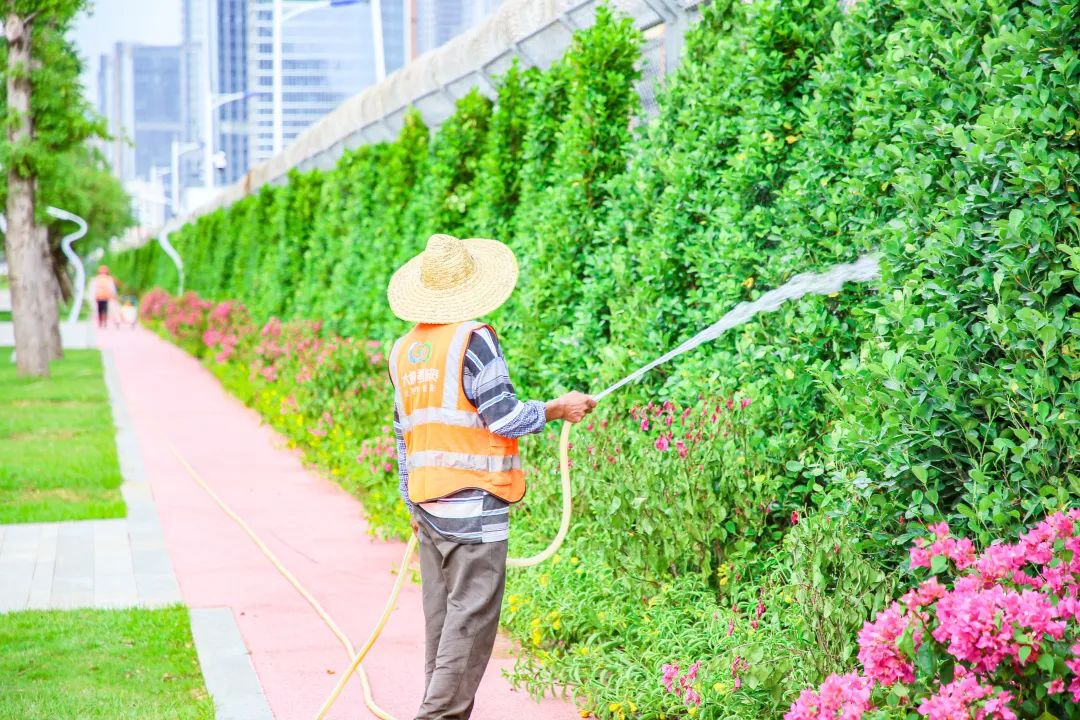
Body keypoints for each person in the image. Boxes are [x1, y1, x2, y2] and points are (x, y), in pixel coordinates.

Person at [387, 233, 595, 720]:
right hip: (473, 506)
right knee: (470, 621)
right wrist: (557, 408)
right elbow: (502, 417)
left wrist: (411, 501)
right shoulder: (472, 339)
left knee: (443, 622)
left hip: (428, 506)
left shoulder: (404, 350)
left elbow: (403, 434)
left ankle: (437, 709)